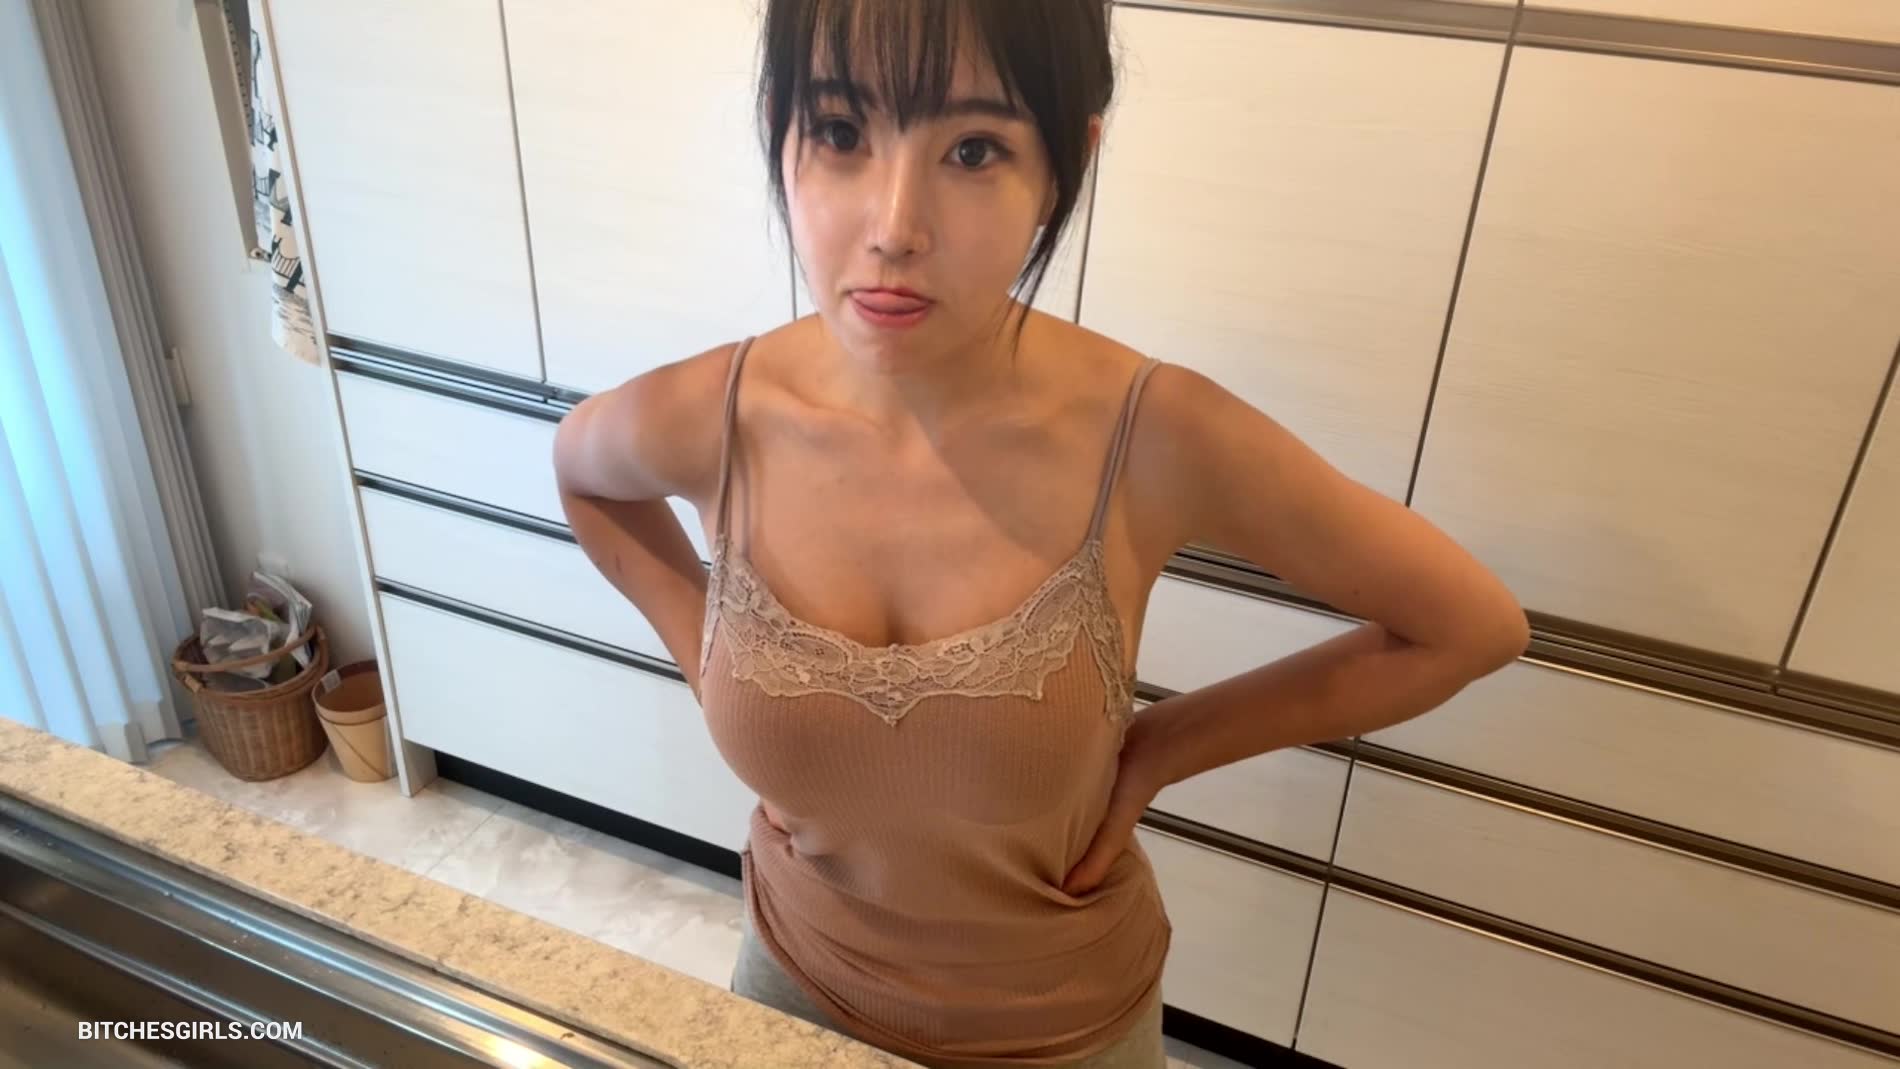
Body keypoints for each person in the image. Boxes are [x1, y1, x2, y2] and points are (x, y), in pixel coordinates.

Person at [551, 2, 1530, 1066]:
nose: (894, 227)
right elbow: (583, 475)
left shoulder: (1152, 436)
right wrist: (711, 660)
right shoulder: (716, 416)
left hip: (1058, 1031)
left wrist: (1160, 747)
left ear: (1066, 163)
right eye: (838, 131)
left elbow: (1469, 625)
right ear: (779, 131)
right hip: (791, 984)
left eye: (973, 150)